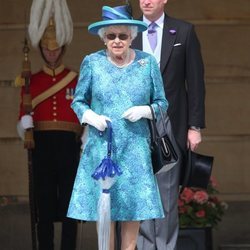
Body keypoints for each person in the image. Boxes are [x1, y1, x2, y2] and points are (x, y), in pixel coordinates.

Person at [67, 4, 168, 250]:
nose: (117, 41)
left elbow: (162, 102)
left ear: (132, 36)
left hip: (135, 149)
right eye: (111, 36)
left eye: (123, 35)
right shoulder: (91, 63)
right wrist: (90, 115)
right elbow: (78, 101)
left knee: (132, 213)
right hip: (103, 150)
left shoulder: (147, 63)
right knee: (106, 216)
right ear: (103, 39)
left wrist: (146, 111)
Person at [132, 0, 206, 249]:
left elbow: (195, 82)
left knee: (166, 196)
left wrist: (194, 127)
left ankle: (164, 246)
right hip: (136, 127)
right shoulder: (129, 33)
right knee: (141, 194)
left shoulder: (183, 31)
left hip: (171, 127)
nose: (146, 1)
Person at [17, 1, 82, 249]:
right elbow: (22, 113)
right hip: (41, 145)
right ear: (42, 50)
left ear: (62, 49)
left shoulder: (75, 79)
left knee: (69, 204)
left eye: (55, 50)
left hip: (69, 146)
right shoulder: (31, 80)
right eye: (47, 49)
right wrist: (24, 124)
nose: (51, 53)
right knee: (43, 204)